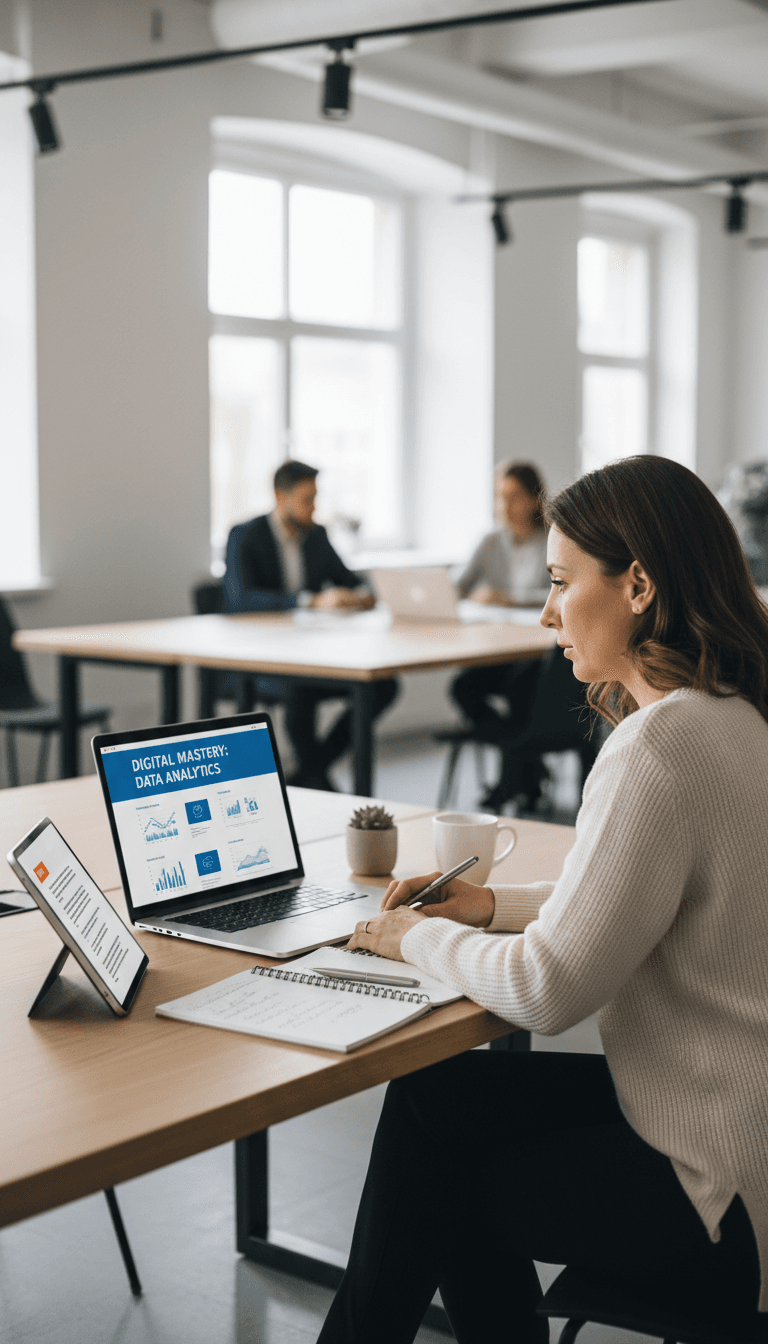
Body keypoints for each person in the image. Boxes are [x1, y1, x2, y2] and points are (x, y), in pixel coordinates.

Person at [317, 456, 768, 1343]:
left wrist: (407, 936)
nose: (545, 611)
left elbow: (549, 990)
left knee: (438, 1186)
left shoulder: (657, 748)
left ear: (638, 583)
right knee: (432, 1101)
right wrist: (488, 909)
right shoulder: (735, 716)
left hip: (718, 1192)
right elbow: (634, 891)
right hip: (735, 1128)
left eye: (562, 582)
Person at [223, 460, 398, 790]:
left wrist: (360, 595)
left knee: (383, 686)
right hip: (261, 661)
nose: (313, 509)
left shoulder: (316, 536)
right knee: (298, 692)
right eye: (307, 500)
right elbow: (240, 599)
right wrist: (308, 600)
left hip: (315, 654)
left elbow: (348, 578)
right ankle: (315, 777)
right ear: (280, 497)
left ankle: (310, 773)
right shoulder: (245, 536)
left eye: (316, 499)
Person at [450, 461, 562, 809]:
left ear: (533, 499)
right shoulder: (490, 541)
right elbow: (456, 587)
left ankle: (512, 778)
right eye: (500, 497)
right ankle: (526, 766)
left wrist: (506, 599)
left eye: (514, 497)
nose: (505, 506)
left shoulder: (553, 539)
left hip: (541, 653)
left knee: (520, 688)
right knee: (463, 687)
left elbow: (557, 595)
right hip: (501, 648)